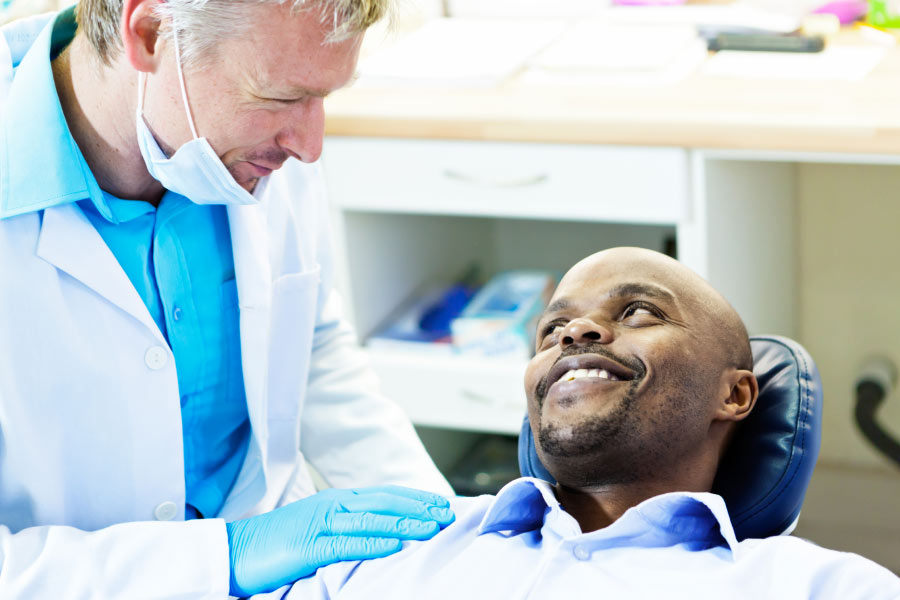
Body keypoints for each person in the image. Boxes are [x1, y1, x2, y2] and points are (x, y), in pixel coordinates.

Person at [0, 0, 455, 597]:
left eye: (323, 96)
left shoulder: (247, 148)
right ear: (151, 33)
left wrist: (443, 535)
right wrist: (224, 559)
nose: (309, 144)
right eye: (281, 96)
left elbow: (310, 346)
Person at [265, 247, 900, 599]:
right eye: (551, 330)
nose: (577, 332)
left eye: (641, 313)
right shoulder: (391, 556)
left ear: (733, 395)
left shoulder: (823, 589)